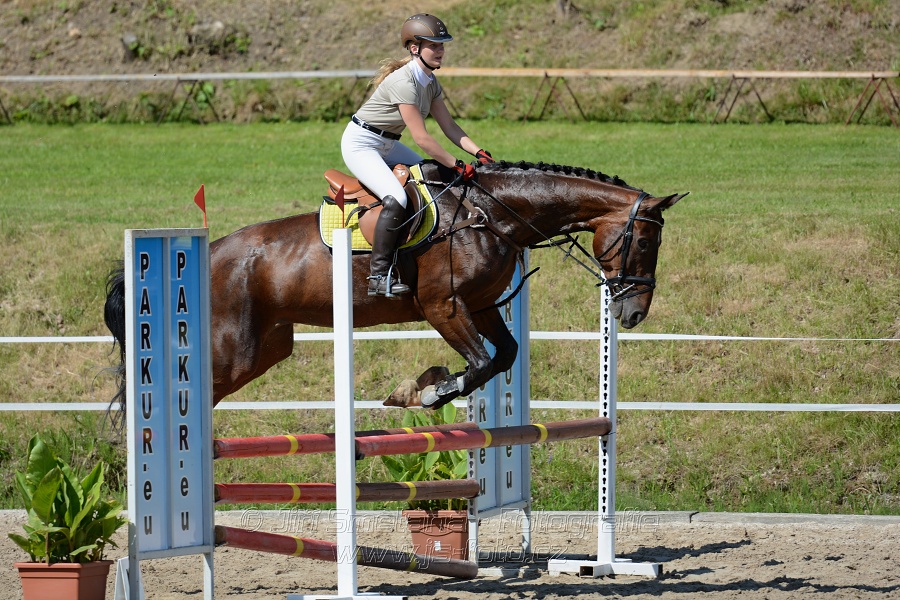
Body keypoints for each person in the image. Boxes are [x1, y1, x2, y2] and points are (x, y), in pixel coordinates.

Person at [341, 13, 495, 297]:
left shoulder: (430, 82)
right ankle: (378, 276)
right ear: (415, 48)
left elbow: (449, 126)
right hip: (361, 144)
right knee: (397, 197)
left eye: (442, 46)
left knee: (431, 176)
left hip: (387, 143)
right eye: (434, 46)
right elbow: (422, 138)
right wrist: (457, 164)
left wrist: (478, 152)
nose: (441, 51)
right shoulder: (404, 83)